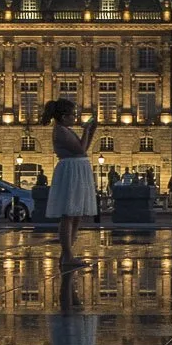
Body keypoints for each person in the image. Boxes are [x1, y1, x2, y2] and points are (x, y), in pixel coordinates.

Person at [43, 98, 98, 268]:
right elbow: (80, 149)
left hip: (76, 168)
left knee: (76, 214)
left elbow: (83, 149)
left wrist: (91, 131)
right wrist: (87, 130)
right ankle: (67, 255)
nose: (75, 117)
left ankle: (68, 254)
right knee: (68, 214)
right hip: (71, 171)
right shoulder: (61, 131)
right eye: (72, 114)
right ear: (63, 116)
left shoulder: (66, 129)